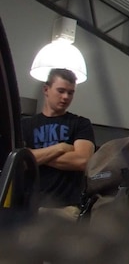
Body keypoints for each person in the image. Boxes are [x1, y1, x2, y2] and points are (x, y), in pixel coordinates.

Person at [21, 68, 96, 218]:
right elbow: (20, 162)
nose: (65, 97)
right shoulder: (25, 125)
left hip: (66, 208)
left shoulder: (80, 124)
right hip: (29, 207)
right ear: (46, 89)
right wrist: (60, 148)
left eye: (70, 92)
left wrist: (36, 156)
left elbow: (82, 160)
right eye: (61, 91)